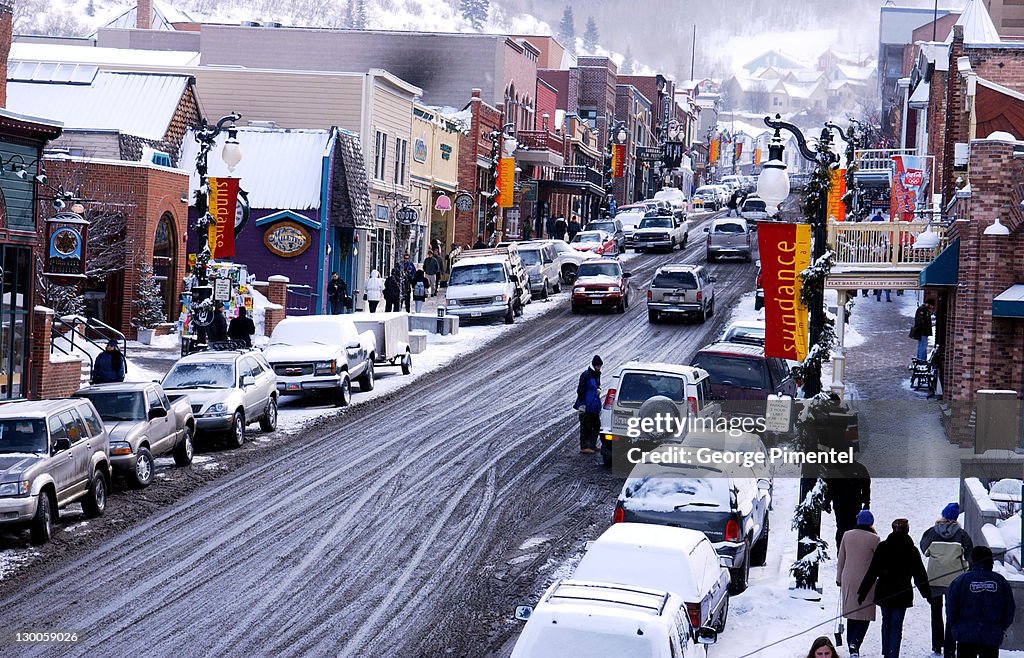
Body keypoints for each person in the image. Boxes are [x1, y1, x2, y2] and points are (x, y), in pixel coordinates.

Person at [858, 518, 930, 658]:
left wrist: (863, 592)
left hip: (884, 591)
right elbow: (919, 574)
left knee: (886, 622)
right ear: (907, 530)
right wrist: (927, 594)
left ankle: (887, 651)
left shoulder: (883, 547)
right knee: (897, 625)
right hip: (902, 593)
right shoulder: (911, 549)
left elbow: (873, 571)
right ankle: (893, 654)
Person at [920, 503, 973, 658]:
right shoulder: (962, 535)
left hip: (935, 579)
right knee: (952, 614)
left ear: (943, 515)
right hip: (954, 582)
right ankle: (950, 647)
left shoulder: (931, 532)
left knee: (935, 613)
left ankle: (937, 645)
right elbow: (970, 556)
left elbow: (924, 550)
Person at [946, 546, 1016, 658]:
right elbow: (1010, 609)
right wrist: (1002, 626)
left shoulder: (960, 581)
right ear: (991, 560)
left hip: (965, 635)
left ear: (973, 560)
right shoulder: (1001, 582)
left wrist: (956, 627)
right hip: (991, 636)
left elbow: (951, 608)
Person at [838, 509, 880, 657]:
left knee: (851, 614)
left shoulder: (847, 535)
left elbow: (841, 558)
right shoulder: (874, 539)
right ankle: (855, 643)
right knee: (865, 614)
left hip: (848, 577)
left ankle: (852, 646)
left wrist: (839, 578)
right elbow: (878, 561)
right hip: (866, 581)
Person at [824, 458, 871, 550]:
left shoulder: (858, 468)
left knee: (847, 528)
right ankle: (843, 552)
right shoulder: (857, 468)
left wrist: (866, 502)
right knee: (844, 528)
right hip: (843, 504)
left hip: (850, 504)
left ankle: (846, 551)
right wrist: (827, 500)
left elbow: (866, 487)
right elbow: (829, 486)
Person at [573, 355, 602, 455]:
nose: (599, 368)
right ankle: (584, 446)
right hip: (586, 405)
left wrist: (598, 390)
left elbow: (597, 386)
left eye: (600, 366)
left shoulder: (597, 375)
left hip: (594, 405)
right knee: (585, 426)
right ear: (594, 366)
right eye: (598, 366)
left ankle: (591, 445)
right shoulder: (586, 375)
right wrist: (582, 405)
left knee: (596, 425)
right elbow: (580, 390)